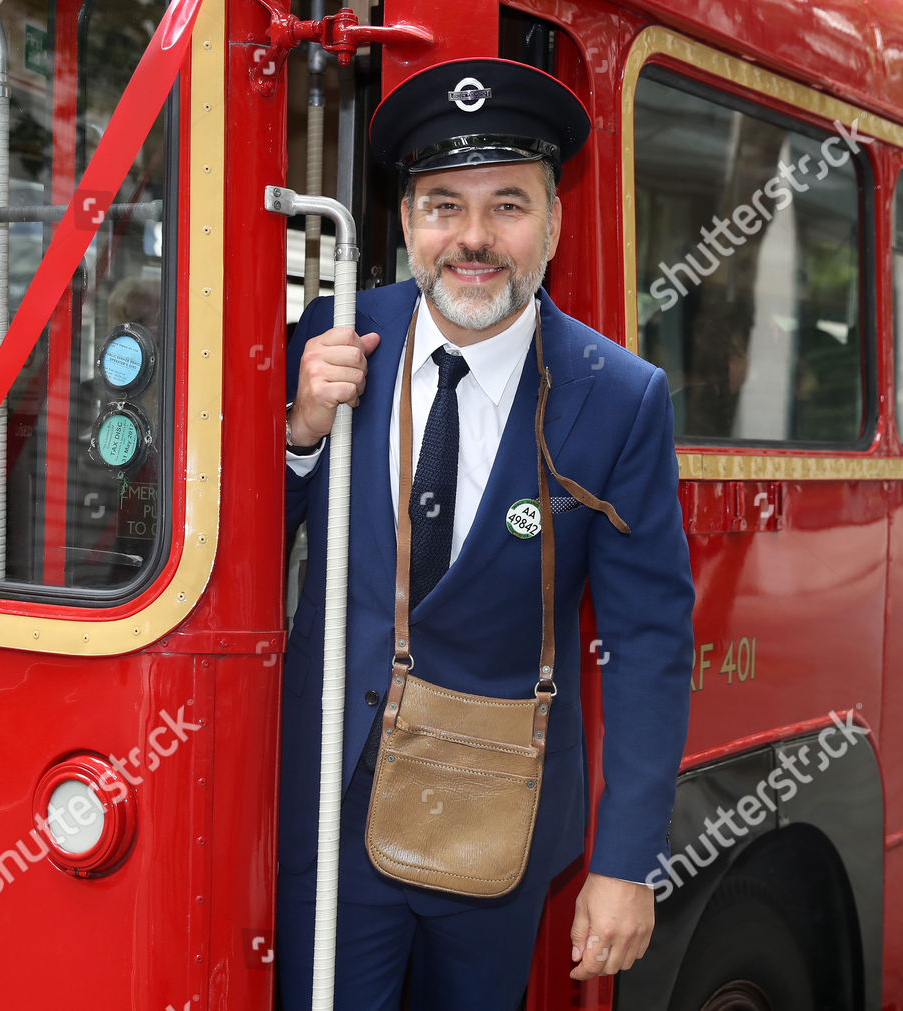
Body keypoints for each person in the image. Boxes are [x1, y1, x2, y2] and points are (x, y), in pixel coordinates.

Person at [278, 57, 694, 1010]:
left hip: (494, 825)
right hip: (327, 810)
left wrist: (627, 862)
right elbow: (227, 553)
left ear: (553, 219)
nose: (472, 238)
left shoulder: (620, 397)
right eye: (442, 204)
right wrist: (298, 436)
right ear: (408, 222)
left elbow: (648, 643)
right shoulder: (333, 337)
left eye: (507, 204)